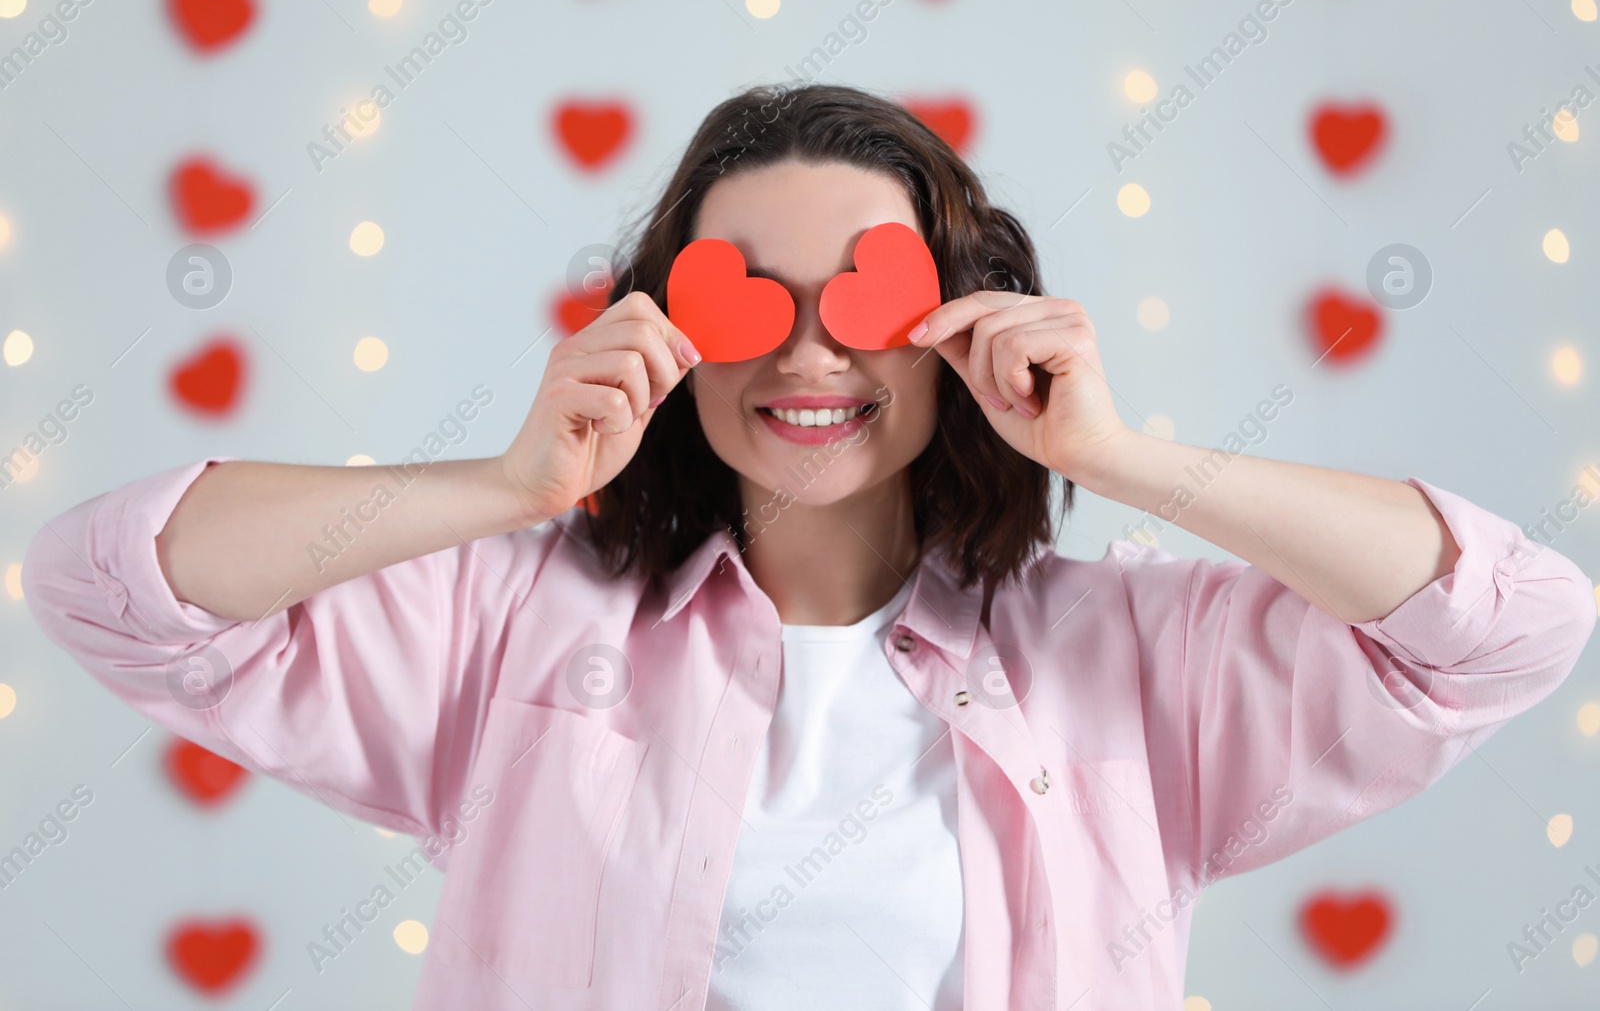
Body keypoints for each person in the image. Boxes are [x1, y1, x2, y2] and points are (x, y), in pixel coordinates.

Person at [21, 83, 1595, 1011]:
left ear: (955, 318)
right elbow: (114, 582)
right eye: (741, 298)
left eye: (866, 296)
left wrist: (1117, 457)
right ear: (667, 328)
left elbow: (1512, 623)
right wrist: (511, 486)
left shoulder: (1130, 661)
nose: (805, 353)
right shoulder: (508, 634)